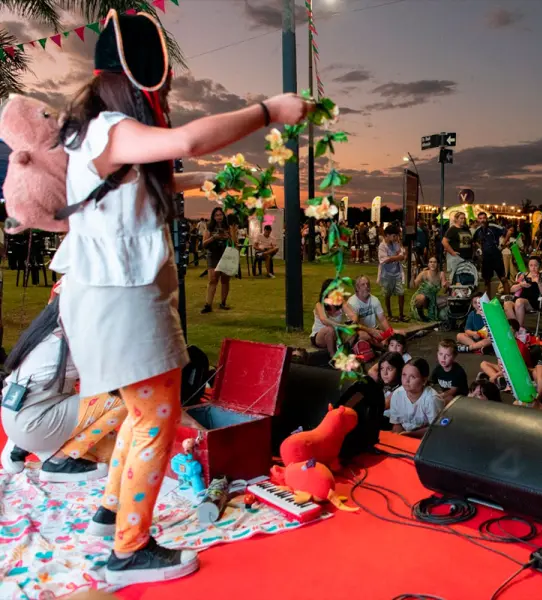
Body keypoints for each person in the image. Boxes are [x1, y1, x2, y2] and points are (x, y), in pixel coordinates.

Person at [50, 9, 315, 583]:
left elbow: (148, 178)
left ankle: (111, 515)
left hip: (108, 294)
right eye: (162, 86)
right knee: (158, 415)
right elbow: (189, 140)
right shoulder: (111, 128)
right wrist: (269, 111)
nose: (165, 95)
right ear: (136, 80)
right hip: (121, 297)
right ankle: (129, 551)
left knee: (140, 410)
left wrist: (208, 182)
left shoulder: (93, 131)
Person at [1, 294, 125, 481]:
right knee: (123, 399)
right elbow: (114, 380)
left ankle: (20, 446)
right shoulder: (78, 341)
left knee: (110, 450)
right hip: (35, 424)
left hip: (14, 415)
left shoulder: (43, 333)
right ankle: (59, 461)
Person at [389, 359, 444, 438]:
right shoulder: (397, 394)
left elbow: (436, 429)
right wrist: (397, 437)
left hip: (426, 438)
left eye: (412, 377)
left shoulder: (432, 399)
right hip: (405, 435)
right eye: (404, 375)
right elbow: (396, 423)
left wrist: (410, 434)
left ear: (424, 380)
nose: (406, 380)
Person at [202, 206, 238, 313]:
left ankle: (223, 303)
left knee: (225, 280)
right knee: (213, 280)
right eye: (216, 215)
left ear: (223, 216)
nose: (219, 217)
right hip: (213, 255)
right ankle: (208, 305)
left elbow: (234, 243)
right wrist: (214, 237)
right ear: (213, 217)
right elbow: (204, 244)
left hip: (226, 254)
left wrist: (229, 235)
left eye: (220, 215)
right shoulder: (209, 228)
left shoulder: (228, 227)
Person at [344, 275, 391, 348]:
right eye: (363, 284)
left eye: (368, 284)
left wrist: (388, 333)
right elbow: (355, 326)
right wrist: (372, 331)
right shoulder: (352, 303)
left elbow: (382, 319)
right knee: (364, 336)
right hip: (359, 331)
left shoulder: (374, 300)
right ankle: (381, 347)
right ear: (357, 288)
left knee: (391, 333)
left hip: (374, 330)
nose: (366, 286)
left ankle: (378, 346)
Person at [473, 212, 510, 299]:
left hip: (496, 256)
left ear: (487, 219)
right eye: (480, 218)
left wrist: (503, 244)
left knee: (503, 278)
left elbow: (508, 232)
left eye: (484, 218)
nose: (482, 220)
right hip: (486, 259)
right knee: (486, 281)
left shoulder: (493, 226)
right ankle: (488, 301)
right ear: (478, 220)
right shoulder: (478, 231)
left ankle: (508, 299)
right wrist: (479, 248)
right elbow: (474, 241)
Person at [504, 256, 542, 327]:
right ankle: (515, 327)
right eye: (531, 265)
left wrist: (538, 283)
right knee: (507, 304)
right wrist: (521, 285)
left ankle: (519, 329)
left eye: (535, 265)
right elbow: (511, 289)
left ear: (539, 266)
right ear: (528, 266)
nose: (533, 268)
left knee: (519, 302)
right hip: (519, 300)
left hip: (533, 302)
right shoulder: (523, 275)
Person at [311, 278, 351, 355]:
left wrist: (352, 322)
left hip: (336, 334)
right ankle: (332, 355)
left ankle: (346, 351)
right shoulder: (319, 305)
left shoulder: (342, 303)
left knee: (354, 329)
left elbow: (353, 315)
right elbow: (324, 320)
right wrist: (340, 326)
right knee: (330, 329)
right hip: (319, 336)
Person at [378, 225, 407, 322]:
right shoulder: (382, 246)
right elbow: (385, 260)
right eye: (394, 236)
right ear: (387, 235)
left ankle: (401, 315)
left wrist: (395, 257)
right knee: (387, 294)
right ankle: (389, 315)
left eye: (396, 236)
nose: (396, 238)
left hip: (397, 273)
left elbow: (402, 255)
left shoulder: (395, 244)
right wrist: (397, 257)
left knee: (401, 293)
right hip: (386, 274)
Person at [410, 256, 448, 321]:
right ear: (428, 264)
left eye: (435, 262)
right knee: (421, 298)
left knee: (445, 301)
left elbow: (443, 289)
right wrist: (413, 276)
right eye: (431, 262)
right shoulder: (424, 273)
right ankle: (421, 315)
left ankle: (440, 313)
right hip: (422, 296)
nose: (432, 264)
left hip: (433, 298)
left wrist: (446, 285)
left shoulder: (441, 274)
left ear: (438, 264)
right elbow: (412, 286)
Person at [442, 211, 473, 280]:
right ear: (456, 219)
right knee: (455, 277)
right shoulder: (452, 229)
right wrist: (452, 252)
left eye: (464, 218)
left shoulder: (466, 229)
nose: (463, 220)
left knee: (465, 277)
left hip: (467, 257)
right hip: (457, 258)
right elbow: (444, 242)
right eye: (461, 218)